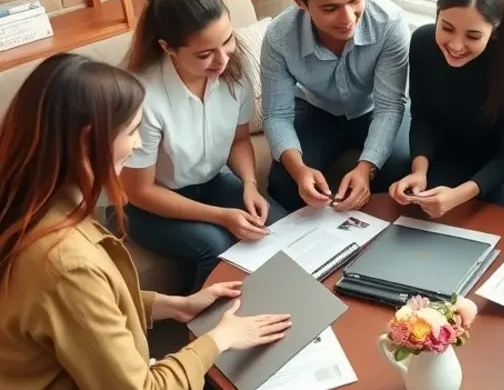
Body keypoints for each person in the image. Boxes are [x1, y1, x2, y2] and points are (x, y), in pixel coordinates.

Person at [0, 53, 292, 389]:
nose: (138, 143)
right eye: (132, 131)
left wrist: (173, 305)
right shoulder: (65, 264)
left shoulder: (35, 206)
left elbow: (80, 309)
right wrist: (220, 339)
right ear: (87, 140)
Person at [120, 0, 286, 292]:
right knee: (218, 245)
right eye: (205, 53)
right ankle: (203, 333)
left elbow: (238, 141)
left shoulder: (233, 72)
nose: (222, 59)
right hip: (149, 207)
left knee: (278, 226)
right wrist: (221, 216)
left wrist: (249, 184)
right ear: (168, 47)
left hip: (210, 182)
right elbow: (140, 191)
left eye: (227, 41)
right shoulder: (144, 97)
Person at [387, 0, 504, 218]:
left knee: (481, 217)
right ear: (437, 16)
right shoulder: (422, 42)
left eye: (473, 36)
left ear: (495, 30)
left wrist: (456, 196)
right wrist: (419, 172)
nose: (456, 46)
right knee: (407, 200)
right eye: (447, 28)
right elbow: (422, 117)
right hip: (453, 150)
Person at [263, 0, 411, 213]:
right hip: (317, 109)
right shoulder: (279, 37)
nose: (348, 18)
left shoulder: (390, 23)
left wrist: (366, 168)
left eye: (355, 0)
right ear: (298, 0)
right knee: (284, 181)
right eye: (330, 8)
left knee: (398, 167)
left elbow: (389, 106)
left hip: (376, 108)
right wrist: (299, 170)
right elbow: (276, 114)